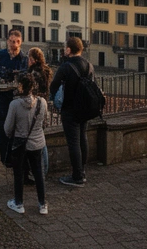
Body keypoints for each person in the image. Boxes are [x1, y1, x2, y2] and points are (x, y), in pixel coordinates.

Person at [3, 73, 48, 215]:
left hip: (20, 144)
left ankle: (19, 203)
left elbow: (7, 128)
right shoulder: (42, 102)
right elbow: (44, 123)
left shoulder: (15, 104)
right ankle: (42, 204)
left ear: (21, 86)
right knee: (38, 173)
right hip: (38, 143)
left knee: (19, 173)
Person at [50, 36, 92, 187]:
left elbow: (54, 86)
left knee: (73, 142)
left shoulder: (65, 67)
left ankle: (77, 177)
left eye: (64, 48)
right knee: (83, 139)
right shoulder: (89, 65)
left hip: (69, 109)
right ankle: (82, 172)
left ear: (68, 49)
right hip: (85, 108)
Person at [0, 29, 29, 165]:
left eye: (17, 42)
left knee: (17, 125)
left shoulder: (24, 59)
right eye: (12, 41)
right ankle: (6, 157)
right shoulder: (0, 55)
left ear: (21, 42)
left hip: (17, 96)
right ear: (7, 41)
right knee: (4, 124)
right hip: (2, 95)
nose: (14, 44)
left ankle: (15, 156)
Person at [27, 48, 53, 179]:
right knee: (41, 139)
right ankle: (42, 169)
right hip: (44, 107)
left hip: (36, 110)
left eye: (29, 58)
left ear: (33, 59)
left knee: (38, 143)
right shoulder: (46, 71)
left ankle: (40, 171)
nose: (28, 61)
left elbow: (32, 91)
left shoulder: (34, 73)